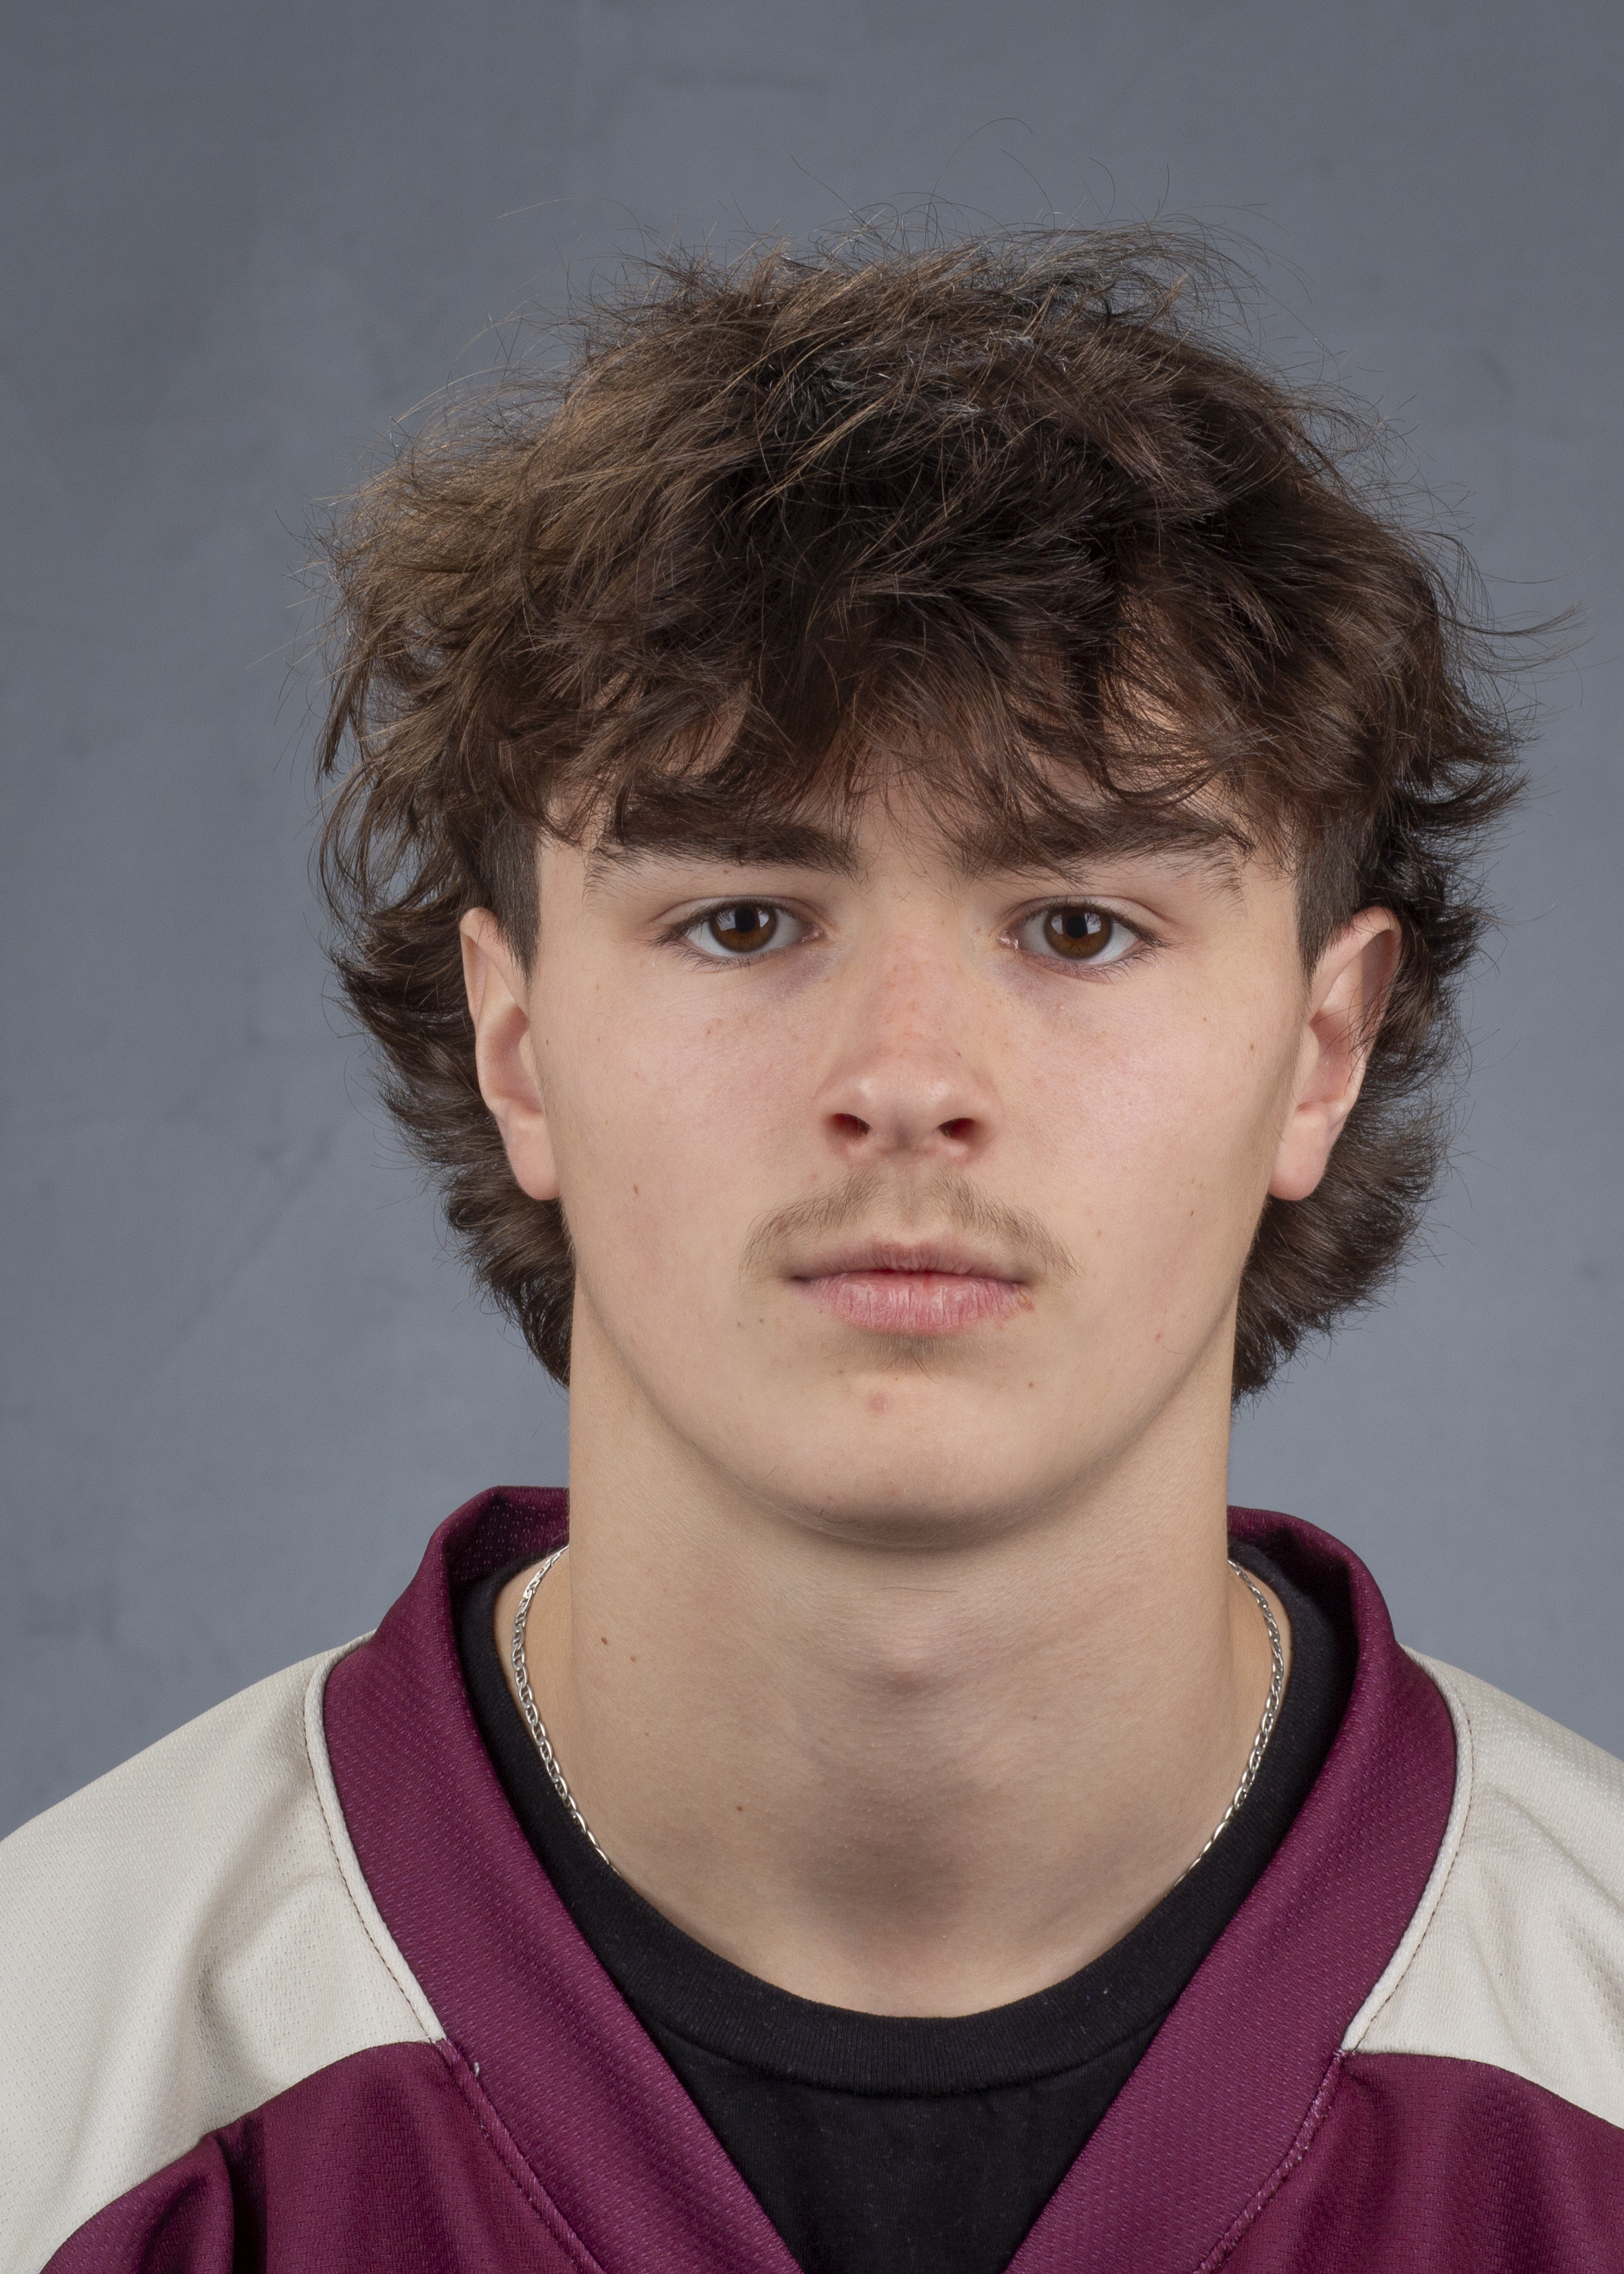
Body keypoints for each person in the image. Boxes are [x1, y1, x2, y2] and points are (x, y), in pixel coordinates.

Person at [3, 228, 1621, 2274]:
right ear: (517, 1045)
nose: (906, 1082)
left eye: (1080, 927)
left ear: (1319, 1051)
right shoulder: (54, 2080)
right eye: (744, 920)